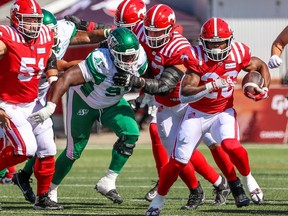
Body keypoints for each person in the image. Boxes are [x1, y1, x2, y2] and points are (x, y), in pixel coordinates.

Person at [145, 17, 269, 215]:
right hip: (196, 113)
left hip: (223, 111)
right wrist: (210, 86)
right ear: (203, 42)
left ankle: (247, 178)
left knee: (231, 146)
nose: (217, 47)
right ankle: (158, 200)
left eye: (220, 42)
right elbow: (184, 93)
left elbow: (261, 65)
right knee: (178, 161)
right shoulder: (196, 56)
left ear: (230, 40)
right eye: (212, 43)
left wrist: (264, 88)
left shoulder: (238, 52)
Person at [113, 4, 232, 209]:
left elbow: (165, 86)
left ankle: (229, 184)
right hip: (163, 103)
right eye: (149, 30)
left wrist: (136, 82)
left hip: (186, 102)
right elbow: (115, 35)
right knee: (175, 150)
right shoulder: (141, 30)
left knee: (199, 143)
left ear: (170, 29)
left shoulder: (179, 48)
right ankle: (198, 189)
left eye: (157, 32)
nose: (152, 35)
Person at [29, 27, 148, 205]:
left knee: (131, 133)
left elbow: (150, 83)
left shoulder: (141, 59)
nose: (130, 61)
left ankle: (108, 181)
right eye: (125, 57)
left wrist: (142, 99)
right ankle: (50, 190)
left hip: (112, 102)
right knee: (72, 151)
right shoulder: (101, 59)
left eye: (132, 56)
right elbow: (67, 78)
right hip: (85, 101)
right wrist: (52, 105)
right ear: (113, 52)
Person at [0, 0, 65, 210]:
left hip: (32, 101)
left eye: (36, 21)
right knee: (25, 148)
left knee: (48, 148)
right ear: (16, 20)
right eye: (29, 21)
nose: (34, 26)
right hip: (9, 103)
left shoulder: (46, 34)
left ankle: (42, 198)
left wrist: (53, 78)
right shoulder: (7, 36)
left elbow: (49, 57)